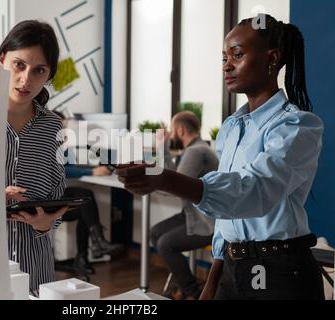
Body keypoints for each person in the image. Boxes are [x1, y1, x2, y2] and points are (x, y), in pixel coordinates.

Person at [116, 14, 325, 300]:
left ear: (271, 58)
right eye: (224, 57)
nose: (227, 65)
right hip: (232, 267)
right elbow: (227, 220)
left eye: (237, 55)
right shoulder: (230, 127)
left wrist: (164, 178)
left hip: (281, 271)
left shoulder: (297, 126)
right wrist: (213, 281)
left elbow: (255, 190)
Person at [0, 20, 68, 297]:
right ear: (2, 59)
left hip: (35, 267)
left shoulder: (53, 126)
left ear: (48, 75)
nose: (26, 79)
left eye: (38, 70)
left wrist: (48, 223)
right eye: (19, 65)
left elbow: (57, 192)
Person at [150, 111, 218, 300]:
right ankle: (186, 285)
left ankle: (193, 292)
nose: (171, 135)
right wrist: (162, 145)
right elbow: (172, 174)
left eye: (172, 131)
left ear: (180, 129)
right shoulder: (195, 148)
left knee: (165, 244)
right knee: (156, 232)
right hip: (193, 214)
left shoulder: (195, 152)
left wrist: (147, 185)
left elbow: (173, 187)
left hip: (206, 222)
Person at [54, 111, 123, 275]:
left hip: (55, 194)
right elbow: (61, 170)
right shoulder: (44, 145)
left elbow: (69, 163)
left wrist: (94, 168)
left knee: (86, 202)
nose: (64, 130)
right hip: (45, 201)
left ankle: (87, 254)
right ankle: (94, 247)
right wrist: (93, 172)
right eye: (62, 127)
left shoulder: (58, 144)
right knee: (86, 203)